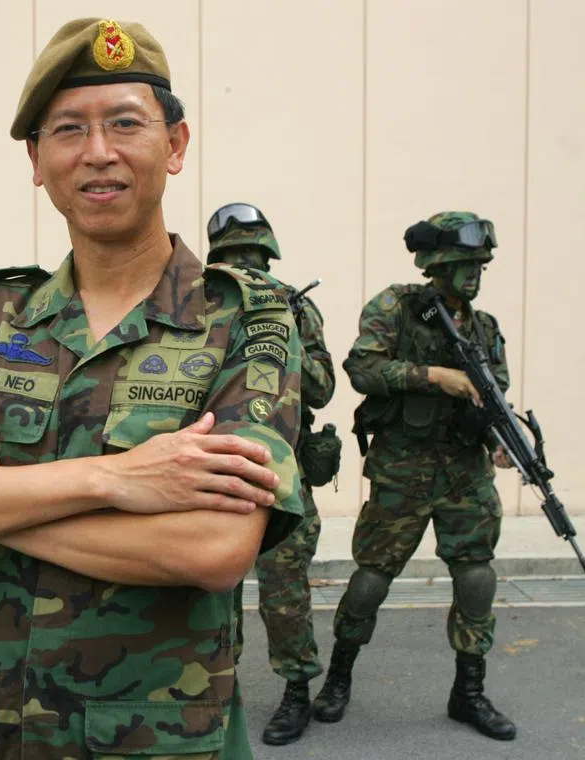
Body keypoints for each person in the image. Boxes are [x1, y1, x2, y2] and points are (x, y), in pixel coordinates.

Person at [0, 18, 305, 760]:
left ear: (176, 145)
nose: (98, 151)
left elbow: (212, 546)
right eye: (68, 129)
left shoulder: (245, 318)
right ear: (37, 161)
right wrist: (117, 478)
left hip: (152, 732)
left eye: (125, 123)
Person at [312, 211, 516, 741]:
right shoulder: (397, 308)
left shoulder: (484, 328)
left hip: (465, 474)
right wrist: (435, 376)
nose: (474, 274)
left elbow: (493, 400)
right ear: (437, 263)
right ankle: (338, 679)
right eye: (465, 264)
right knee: (371, 580)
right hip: (402, 468)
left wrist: (499, 441)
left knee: (477, 577)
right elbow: (362, 369)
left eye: (480, 265)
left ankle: (468, 692)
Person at [206, 203, 337, 746]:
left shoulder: (296, 309)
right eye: (235, 259)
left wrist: (285, 334)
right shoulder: (200, 306)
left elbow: (323, 388)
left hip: (282, 474)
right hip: (216, 470)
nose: (246, 269)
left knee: (284, 593)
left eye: (253, 258)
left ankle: (296, 690)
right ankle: (217, 691)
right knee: (213, 593)